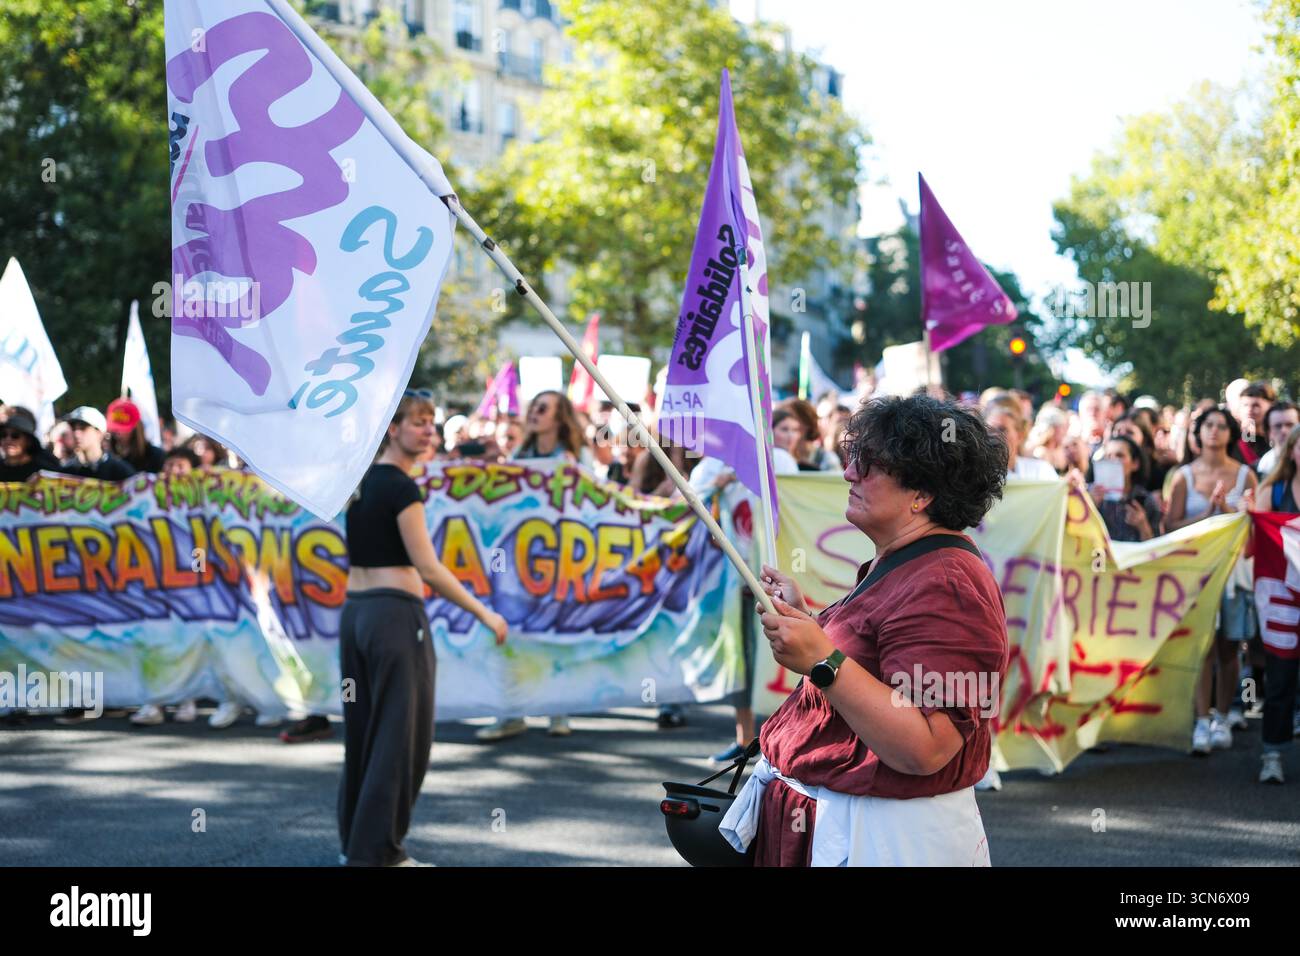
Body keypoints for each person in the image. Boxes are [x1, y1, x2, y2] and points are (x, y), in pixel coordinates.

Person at [719, 395, 1009, 866]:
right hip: (842, 827)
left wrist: (823, 659)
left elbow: (926, 747)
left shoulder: (947, 583)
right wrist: (811, 626)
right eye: (853, 459)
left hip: (882, 842)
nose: (850, 473)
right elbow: (874, 668)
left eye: (869, 465)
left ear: (922, 495)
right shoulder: (905, 561)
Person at [339, 391, 508, 866]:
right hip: (394, 618)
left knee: (365, 734)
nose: (429, 430)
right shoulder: (399, 487)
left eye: (432, 421)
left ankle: (356, 846)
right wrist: (485, 613)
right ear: (392, 429)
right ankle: (379, 854)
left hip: (356, 616)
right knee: (399, 737)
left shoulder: (360, 480)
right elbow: (429, 569)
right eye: (418, 421)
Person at [477, 389, 586, 741]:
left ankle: (558, 710)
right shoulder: (520, 454)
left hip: (556, 560)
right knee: (510, 635)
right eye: (533, 408)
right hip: (517, 563)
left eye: (543, 409)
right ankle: (511, 713)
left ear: (559, 418)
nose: (535, 414)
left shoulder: (570, 458)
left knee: (554, 633)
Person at [1163, 405, 1258, 755]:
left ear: (1232, 433)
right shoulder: (1183, 475)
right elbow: (1169, 528)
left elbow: (1253, 526)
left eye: (1221, 426)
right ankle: (1201, 720)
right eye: (1208, 425)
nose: (1215, 431)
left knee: (1229, 648)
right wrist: (1208, 514)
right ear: (1198, 433)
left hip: (1233, 575)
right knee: (1201, 646)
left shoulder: (1246, 475)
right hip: (1195, 575)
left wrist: (1229, 511)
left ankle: (1222, 715)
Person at [1253, 423, 1300, 784]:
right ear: (1292, 451)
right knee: (1280, 675)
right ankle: (1272, 753)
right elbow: (1257, 531)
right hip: (1283, 598)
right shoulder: (1274, 489)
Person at [1081, 436, 1161, 542]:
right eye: (1108, 456)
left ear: (1135, 464)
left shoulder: (1146, 501)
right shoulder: (1087, 495)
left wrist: (1143, 526)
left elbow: (1155, 550)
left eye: (1119, 455)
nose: (1113, 460)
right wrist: (1088, 508)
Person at [983, 396, 1058, 480]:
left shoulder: (1041, 471)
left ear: (1019, 435)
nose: (994, 435)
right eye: (990, 430)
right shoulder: (978, 477)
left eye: (1002, 429)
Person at [61, 406, 135, 480]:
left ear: (99, 433)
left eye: (83, 428)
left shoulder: (121, 471)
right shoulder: (65, 473)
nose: (76, 434)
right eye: (73, 428)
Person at [0, 406, 63, 481]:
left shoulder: (45, 471)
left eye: (15, 435)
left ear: (28, 441)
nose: (8, 440)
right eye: (3, 435)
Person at [106, 398, 166, 473]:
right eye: (115, 428)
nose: (117, 433)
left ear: (136, 428)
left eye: (123, 428)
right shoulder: (106, 455)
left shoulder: (155, 455)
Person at [1234, 382, 1275, 466]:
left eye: (1256, 405)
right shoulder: (1230, 437)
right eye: (1245, 405)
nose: (1249, 410)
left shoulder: (1276, 436)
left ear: (1270, 407)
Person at [1256, 400, 1299, 477]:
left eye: (1290, 425)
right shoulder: (1262, 467)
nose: (1284, 431)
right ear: (1269, 432)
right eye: (1278, 426)